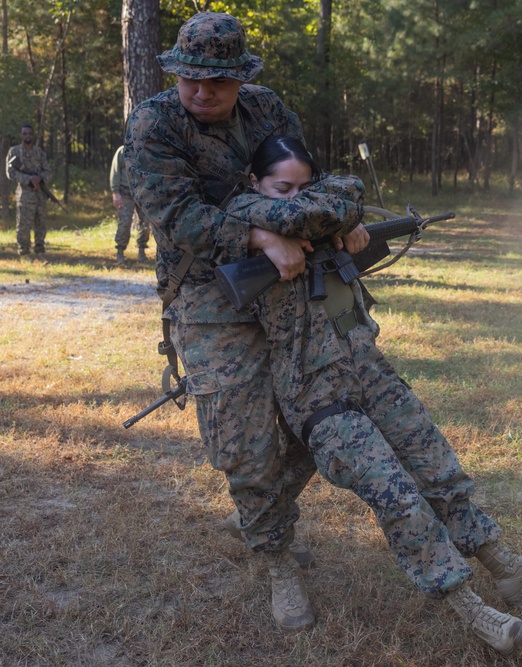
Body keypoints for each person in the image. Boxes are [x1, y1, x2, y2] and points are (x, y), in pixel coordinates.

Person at [221, 135, 522, 655]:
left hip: (369, 372)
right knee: (398, 495)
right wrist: (324, 222)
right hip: (318, 398)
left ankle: (503, 565)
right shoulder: (241, 215)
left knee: (437, 466)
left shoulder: (323, 214)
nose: (293, 200)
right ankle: (470, 609)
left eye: (303, 186)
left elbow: (341, 197)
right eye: (281, 187)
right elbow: (309, 215)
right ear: (255, 183)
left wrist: (346, 224)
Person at [124, 11, 364, 636]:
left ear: (240, 78)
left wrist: (336, 220)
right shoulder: (154, 123)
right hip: (208, 296)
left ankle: (264, 517)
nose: (202, 93)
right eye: (190, 80)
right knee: (243, 442)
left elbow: (302, 178)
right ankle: (277, 557)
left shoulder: (265, 109)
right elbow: (175, 213)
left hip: (285, 290)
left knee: (323, 414)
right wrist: (258, 236)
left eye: (218, 82)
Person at [5, 123, 51, 259]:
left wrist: (39, 179)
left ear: (33, 135)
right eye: (25, 134)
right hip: (25, 195)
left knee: (41, 225)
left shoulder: (40, 153)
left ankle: (40, 251)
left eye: (30, 134)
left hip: (40, 195)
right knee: (23, 225)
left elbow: (48, 171)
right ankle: (24, 253)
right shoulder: (14, 152)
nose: (27, 136)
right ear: (21, 135)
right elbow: (10, 172)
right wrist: (29, 179)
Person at [109, 144, 151, 263]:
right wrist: (115, 192)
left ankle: (142, 251)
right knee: (125, 222)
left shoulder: (145, 150)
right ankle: (120, 252)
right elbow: (115, 172)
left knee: (145, 222)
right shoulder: (122, 151)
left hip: (142, 193)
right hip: (125, 192)